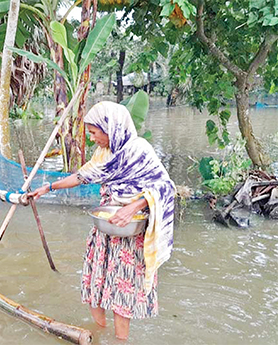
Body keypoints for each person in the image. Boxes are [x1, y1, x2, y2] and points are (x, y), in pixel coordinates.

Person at [28, 101, 175, 340]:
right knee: (94, 283)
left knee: (122, 294)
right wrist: (48, 187)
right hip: (105, 230)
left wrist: (133, 207)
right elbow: (80, 176)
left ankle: (119, 340)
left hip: (130, 236)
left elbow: (165, 187)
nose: (93, 139)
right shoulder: (103, 153)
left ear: (112, 129)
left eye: (95, 133)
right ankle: (99, 333)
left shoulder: (140, 150)